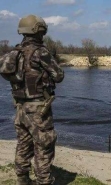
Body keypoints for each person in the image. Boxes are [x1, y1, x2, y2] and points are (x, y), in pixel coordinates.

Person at [0, 15, 64, 185]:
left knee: (23, 144)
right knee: (44, 144)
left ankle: (22, 179)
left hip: (20, 107)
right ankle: (44, 181)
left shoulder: (15, 53)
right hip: (38, 109)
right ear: (39, 31)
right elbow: (59, 76)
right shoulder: (41, 52)